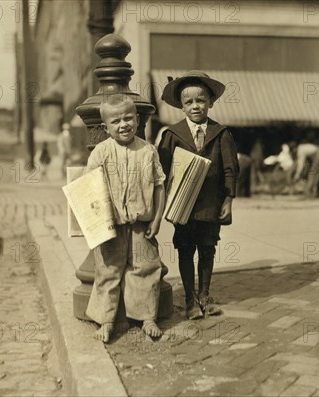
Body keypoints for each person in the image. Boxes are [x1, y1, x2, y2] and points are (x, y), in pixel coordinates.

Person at [157, 71, 239, 320]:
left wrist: (228, 200)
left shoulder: (220, 133)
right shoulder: (172, 135)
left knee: (207, 248)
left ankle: (205, 294)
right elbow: (162, 170)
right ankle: (190, 299)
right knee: (185, 249)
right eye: (189, 102)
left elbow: (230, 168)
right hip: (183, 206)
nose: (195, 106)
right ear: (181, 106)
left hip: (210, 205)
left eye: (201, 100)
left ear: (211, 102)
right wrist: (166, 202)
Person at [85, 95, 166, 342]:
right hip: (111, 224)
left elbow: (160, 186)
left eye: (128, 118)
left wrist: (157, 219)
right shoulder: (101, 152)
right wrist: (95, 223)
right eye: (116, 121)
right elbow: (88, 188)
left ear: (138, 119)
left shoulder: (148, 150)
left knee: (146, 267)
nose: (123, 125)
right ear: (106, 127)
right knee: (108, 269)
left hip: (142, 223)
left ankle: (146, 316)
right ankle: (105, 320)